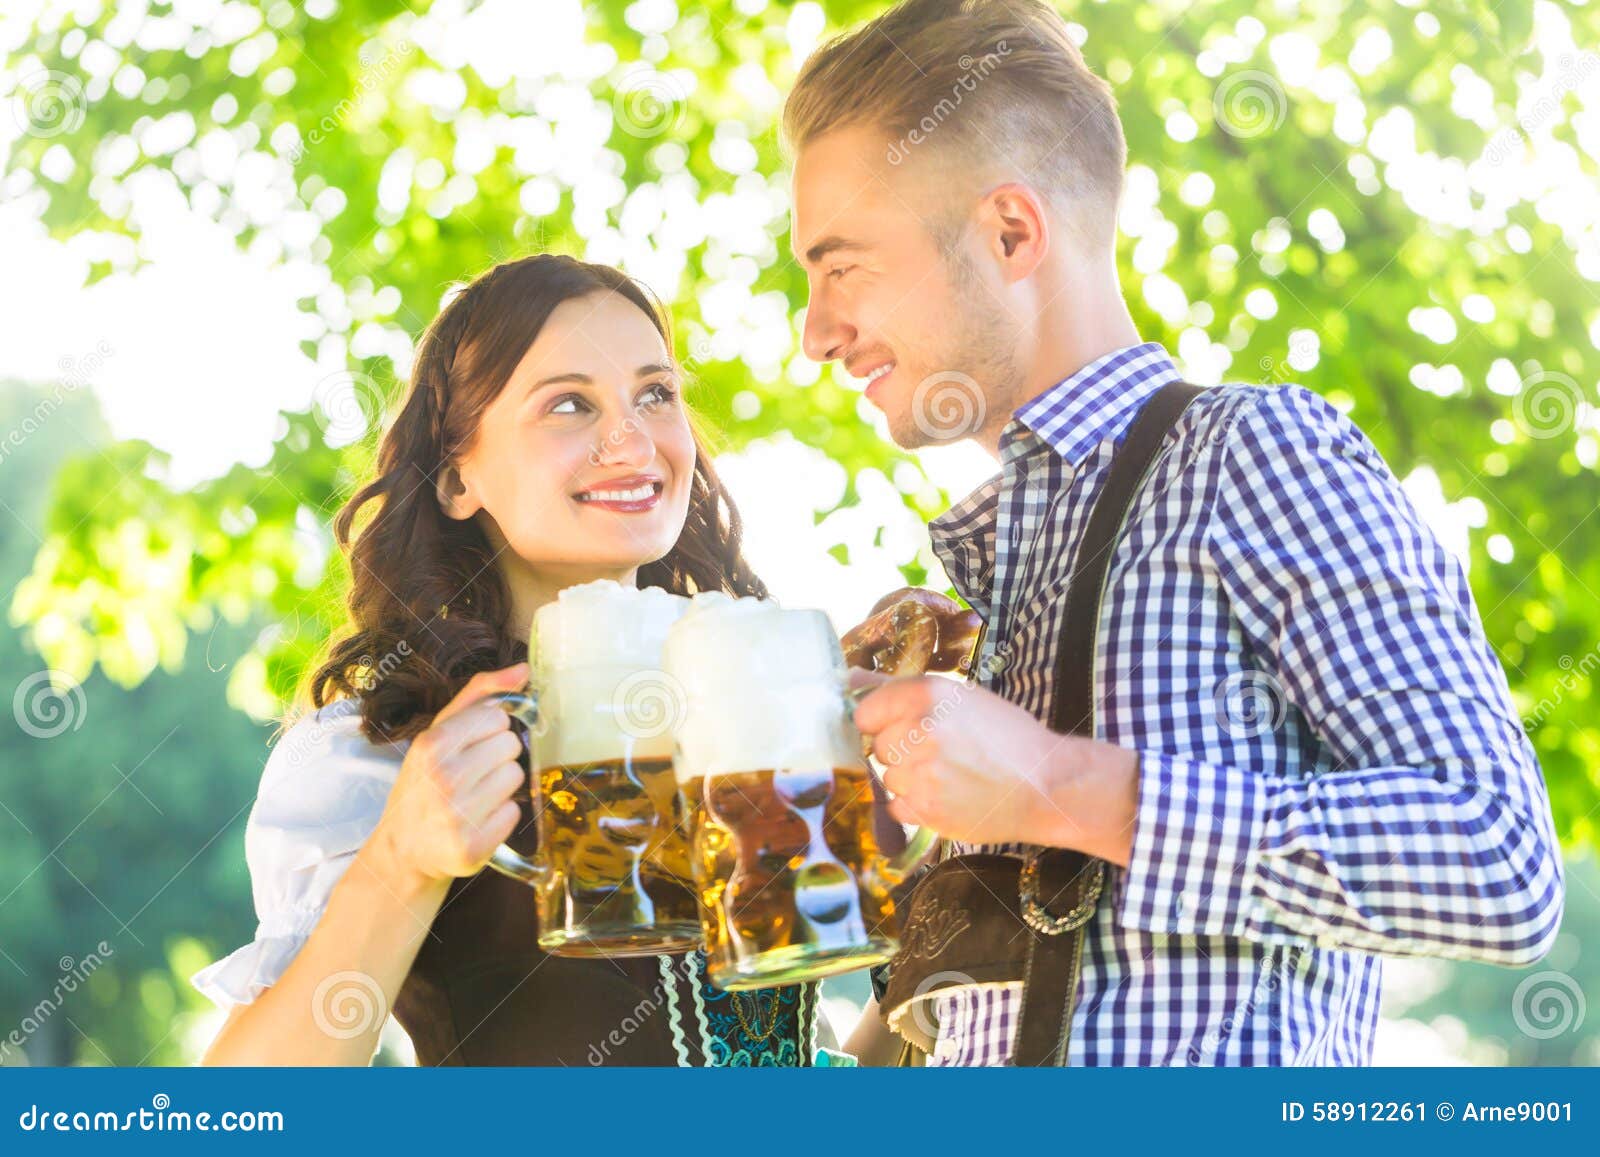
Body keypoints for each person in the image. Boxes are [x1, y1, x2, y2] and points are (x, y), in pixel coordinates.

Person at [783, 0, 1564, 1065]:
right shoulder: (986, 599)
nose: (816, 333)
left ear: (1009, 233)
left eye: (841, 268)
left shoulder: (1253, 452)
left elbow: (1499, 861)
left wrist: (1065, 787)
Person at [191, 254, 823, 1066]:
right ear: (458, 478)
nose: (631, 438)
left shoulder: (746, 711)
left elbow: (800, 1058)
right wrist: (402, 860)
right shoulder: (381, 747)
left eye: (655, 393)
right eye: (569, 404)